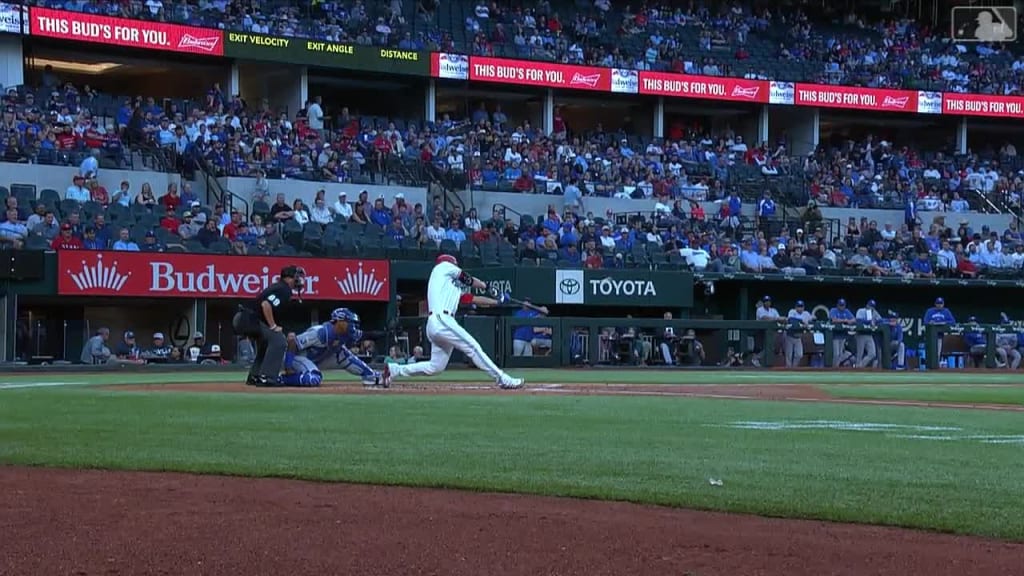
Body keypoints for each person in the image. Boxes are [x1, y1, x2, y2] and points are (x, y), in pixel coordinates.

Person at [382, 254, 523, 389]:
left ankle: (395, 370)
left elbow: (472, 299)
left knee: (435, 367)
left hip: (437, 323)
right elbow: (466, 278)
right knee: (473, 347)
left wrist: (498, 301)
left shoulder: (449, 288)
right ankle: (502, 378)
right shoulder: (442, 267)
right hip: (442, 319)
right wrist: (487, 287)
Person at [232, 265, 305, 386]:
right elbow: (266, 304)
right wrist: (273, 326)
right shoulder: (284, 289)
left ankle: (255, 376)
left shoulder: (280, 287)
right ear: (289, 278)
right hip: (249, 320)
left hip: (245, 318)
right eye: (296, 277)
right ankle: (267, 377)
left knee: (266, 344)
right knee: (279, 342)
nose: (299, 280)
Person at [280, 308, 383, 387]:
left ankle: (371, 376)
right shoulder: (321, 332)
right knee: (313, 379)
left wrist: (385, 333)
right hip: (296, 357)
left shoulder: (347, 333)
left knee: (342, 353)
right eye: (349, 322)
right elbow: (292, 341)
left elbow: (367, 335)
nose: (352, 325)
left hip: (318, 358)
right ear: (339, 322)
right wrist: (288, 367)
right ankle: (281, 379)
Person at [784, 300, 812, 368]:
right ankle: (788, 369)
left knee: (799, 354)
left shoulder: (806, 314)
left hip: (798, 337)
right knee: (789, 355)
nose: (800, 308)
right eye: (798, 306)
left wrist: (807, 324)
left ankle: (794, 367)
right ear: (795, 307)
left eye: (801, 306)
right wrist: (802, 322)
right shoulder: (792, 311)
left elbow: (812, 320)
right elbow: (791, 320)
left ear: (804, 307)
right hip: (789, 336)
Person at [854, 300, 882, 368]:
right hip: (860, 334)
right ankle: (857, 367)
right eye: (870, 305)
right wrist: (868, 321)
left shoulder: (874, 313)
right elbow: (858, 320)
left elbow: (881, 320)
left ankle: (859, 366)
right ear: (867, 305)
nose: (871, 307)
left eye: (872, 306)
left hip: (869, 335)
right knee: (859, 355)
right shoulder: (861, 311)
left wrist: (875, 321)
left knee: (872, 354)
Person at [828, 299, 855, 367]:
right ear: (837, 305)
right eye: (840, 305)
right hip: (835, 335)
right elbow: (833, 320)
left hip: (843, 335)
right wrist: (844, 320)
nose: (841, 307)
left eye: (843, 305)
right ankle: (833, 368)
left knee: (840, 354)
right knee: (836, 354)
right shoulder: (833, 310)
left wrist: (849, 321)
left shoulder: (846, 311)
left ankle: (836, 368)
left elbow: (854, 319)